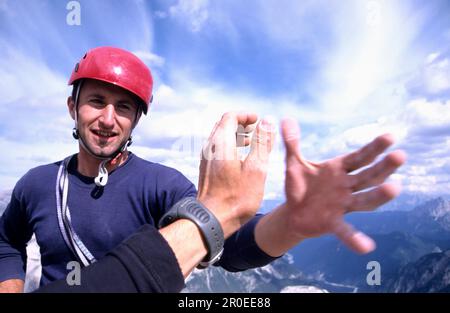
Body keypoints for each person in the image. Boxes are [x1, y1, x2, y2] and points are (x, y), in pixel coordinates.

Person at [0, 46, 406, 293]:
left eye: (124, 107)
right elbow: (7, 242)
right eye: (96, 101)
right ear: (73, 107)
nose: (109, 118)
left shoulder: (159, 185)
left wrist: (292, 223)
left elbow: (227, 243)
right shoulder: (36, 184)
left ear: (136, 120)